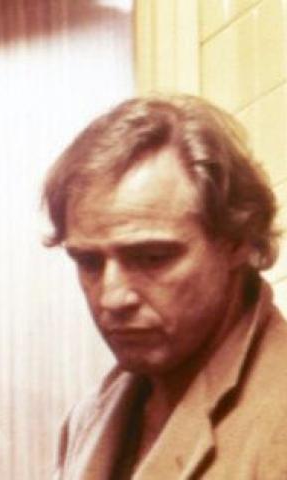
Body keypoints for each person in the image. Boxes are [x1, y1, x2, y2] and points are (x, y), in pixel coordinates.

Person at [42, 94, 287, 479]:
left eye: (152, 257)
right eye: (89, 262)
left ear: (237, 242)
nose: (112, 298)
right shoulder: (88, 420)